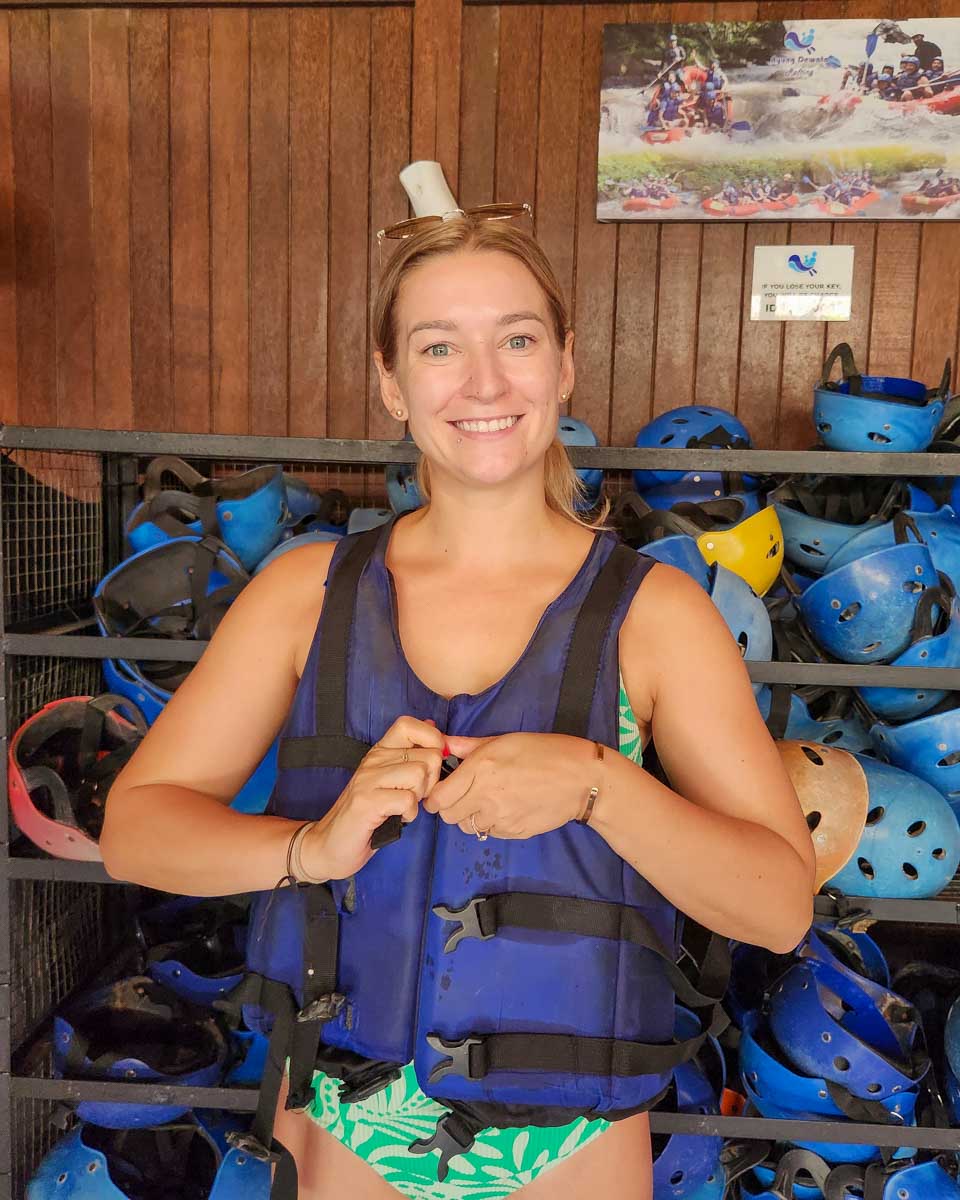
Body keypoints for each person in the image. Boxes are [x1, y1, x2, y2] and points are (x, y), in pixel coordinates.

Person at [100, 214, 815, 1200]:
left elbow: (779, 909)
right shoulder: (306, 593)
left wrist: (602, 786)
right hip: (347, 1123)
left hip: (570, 1141)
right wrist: (310, 847)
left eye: (517, 339)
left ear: (564, 365)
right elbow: (136, 832)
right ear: (393, 382)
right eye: (441, 347)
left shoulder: (658, 615)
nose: (485, 384)